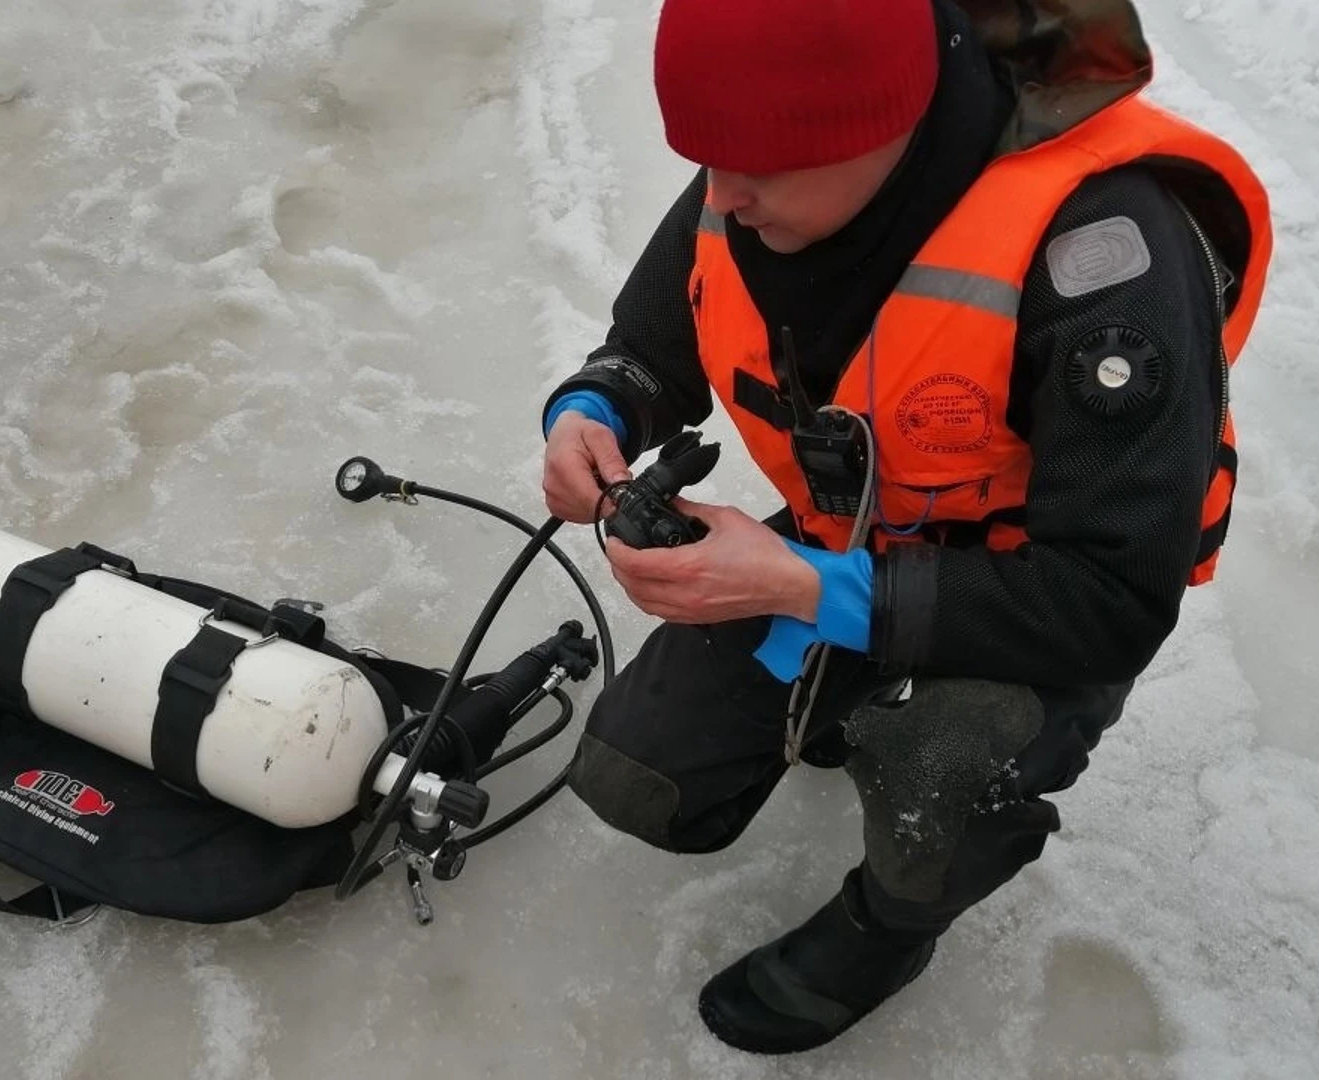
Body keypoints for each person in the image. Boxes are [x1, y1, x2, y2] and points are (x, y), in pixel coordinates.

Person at [538, 0, 1271, 1056]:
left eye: (754, 169)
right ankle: (849, 687)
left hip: (1037, 598)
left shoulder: (1110, 255)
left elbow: (1112, 604)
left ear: (884, 125)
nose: (721, 195)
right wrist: (594, 411)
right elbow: (651, 342)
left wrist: (799, 589)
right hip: (866, 538)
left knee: (940, 762)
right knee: (640, 778)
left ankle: (892, 923)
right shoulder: (753, 179)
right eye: (705, 161)